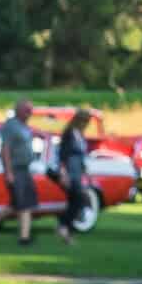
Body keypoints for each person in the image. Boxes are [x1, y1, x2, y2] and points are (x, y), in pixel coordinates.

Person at [0, 98, 41, 245]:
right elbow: (5, 149)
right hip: (15, 169)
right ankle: (24, 238)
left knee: (19, 204)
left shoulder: (23, 126)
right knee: (22, 204)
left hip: (25, 169)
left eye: (31, 110)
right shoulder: (11, 126)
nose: (30, 113)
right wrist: (8, 172)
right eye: (27, 110)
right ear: (19, 110)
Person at [54, 106, 92, 249]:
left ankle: (66, 231)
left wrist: (85, 170)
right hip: (70, 171)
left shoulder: (79, 135)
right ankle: (63, 226)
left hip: (77, 171)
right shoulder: (69, 134)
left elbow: (81, 155)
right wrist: (63, 173)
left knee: (74, 201)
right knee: (78, 199)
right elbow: (63, 154)